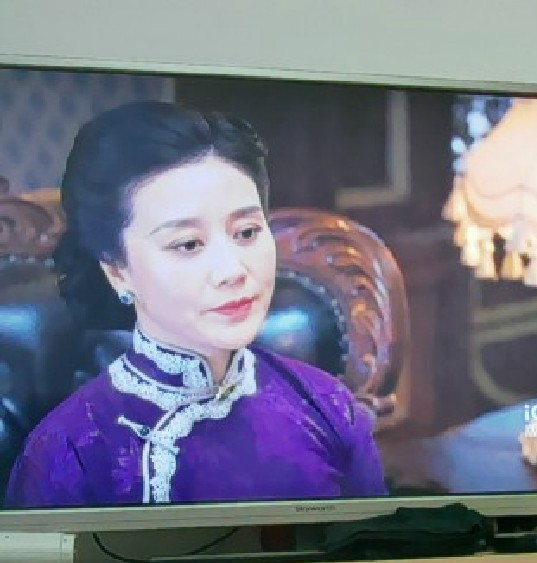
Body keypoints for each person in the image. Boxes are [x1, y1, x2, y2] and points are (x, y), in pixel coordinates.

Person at [4, 100, 388, 508]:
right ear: (117, 271)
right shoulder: (67, 451)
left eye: (246, 233)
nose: (232, 271)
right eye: (188, 244)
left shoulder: (327, 407)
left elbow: (372, 545)